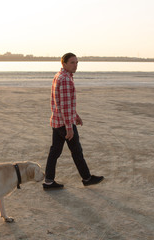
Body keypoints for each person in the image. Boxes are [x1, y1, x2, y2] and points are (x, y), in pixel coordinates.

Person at [43, 53, 104, 190]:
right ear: (63, 64)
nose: (75, 65)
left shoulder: (60, 75)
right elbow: (64, 106)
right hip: (64, 124)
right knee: (76, 152)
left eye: (76, 62)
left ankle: (48, 181)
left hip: (58, 122)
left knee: (55, 152)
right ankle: (87, 178)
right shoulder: (65, 79)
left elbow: (65, 102)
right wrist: (69, 127)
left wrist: (75, 115)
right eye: (72, 63)